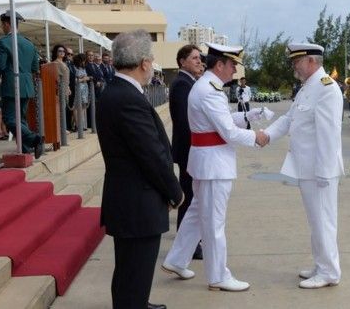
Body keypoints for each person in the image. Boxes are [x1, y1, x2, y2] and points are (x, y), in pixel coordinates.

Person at [162, 43, 268, 292]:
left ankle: (176, 259)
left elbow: (219, 122)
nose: (234, 71)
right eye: (232, 65)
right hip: (213, 165)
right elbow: (228, 132)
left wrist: (248, 117)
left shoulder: (207, 86)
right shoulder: (209, 90)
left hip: (207, 162)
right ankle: (218, 275)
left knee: (197, 214)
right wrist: (256, 138)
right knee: (213, 222)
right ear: (219, 65)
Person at [96, 30, 183, 309]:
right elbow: (151, 155)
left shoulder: (118, 92)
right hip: (137, 200)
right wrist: (174, 191)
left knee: (132, 270)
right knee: (134, 269)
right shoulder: (127, 98)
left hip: (129, 198)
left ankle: (136, 302)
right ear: (145, 62)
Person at [264, 43, 344, 289]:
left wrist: (324, 172)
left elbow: (329, 136)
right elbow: (289, 119)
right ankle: (321, 264)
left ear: (311, 61)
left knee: (323, 220)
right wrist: (265, 135)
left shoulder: (327, 89)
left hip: (320, 170)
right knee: (316, 220)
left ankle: (329, 271)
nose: (294, 66)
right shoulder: (307, 87)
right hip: (307, 168)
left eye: (296, 61)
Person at [168, 44, 204, 259]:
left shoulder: (190, 82)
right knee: (188, 197)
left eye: (199, 58)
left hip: (191, 149)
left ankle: (192, 242)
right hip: (189, 150)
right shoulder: (182, 84)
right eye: (194, 58)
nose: (199, 61)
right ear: (182, 61)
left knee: (192, 195)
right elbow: (185, 121)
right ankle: (188, 245)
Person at [0, 10, 42, 158]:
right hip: (26, 85)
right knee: (20, 119)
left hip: (11, 85)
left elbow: (0, 65)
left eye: (3, 25)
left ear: (7, 24)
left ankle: (34, 140)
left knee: (9, 119)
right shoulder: (29, 43)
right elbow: (35, 67)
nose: (2, 27)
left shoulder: (3, 42)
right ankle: (26, 149)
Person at [72, 54, 90, 131]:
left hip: (84, 89)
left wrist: (86, 78)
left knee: (83, 107)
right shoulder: (76, 69)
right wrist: (84, 79)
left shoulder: (83, 68)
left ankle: (82, 124)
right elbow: (76, 81)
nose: (84, 62)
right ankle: (78, 125)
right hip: (79, 89)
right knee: (76, 107)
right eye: (83, 60)